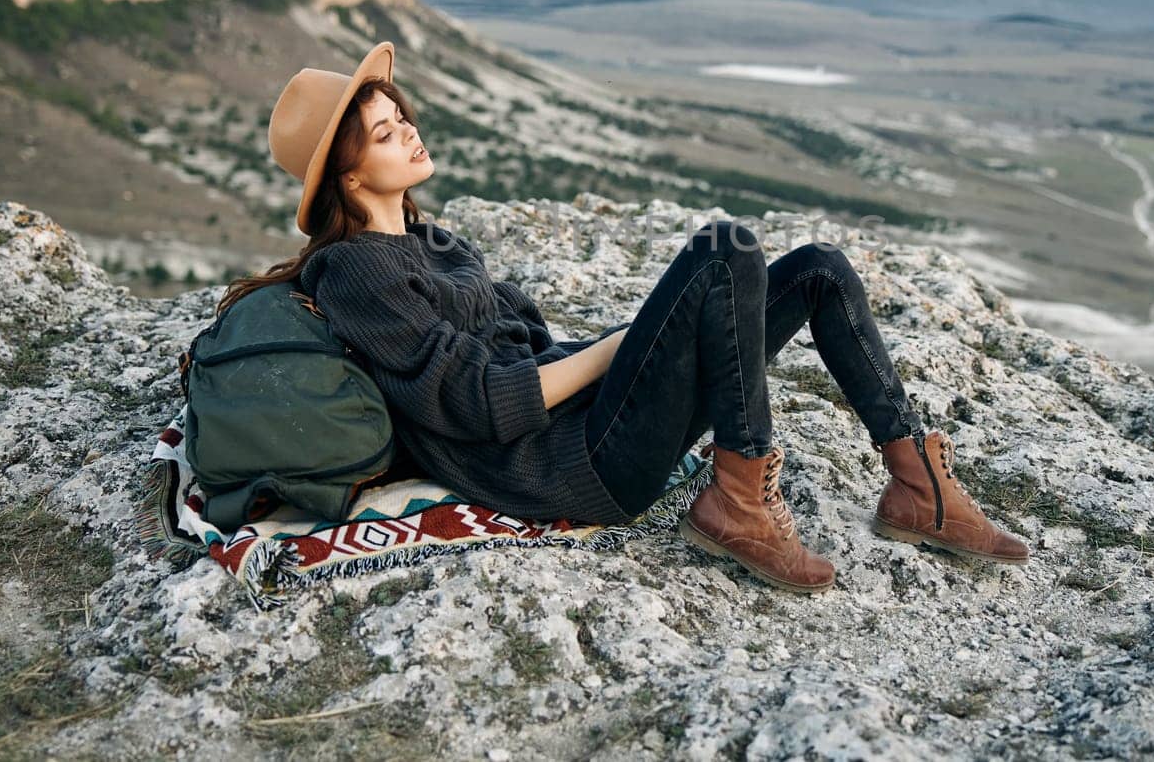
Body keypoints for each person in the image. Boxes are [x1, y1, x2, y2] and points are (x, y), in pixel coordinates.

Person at [219, 42, 1030, 595]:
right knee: (724, 250)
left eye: (403, 116)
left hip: (593, 420)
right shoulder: (359, 271)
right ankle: (737, 502)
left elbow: (527, 338)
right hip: (569, 464)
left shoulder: (429, 238)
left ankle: (917, 482)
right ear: (350, 173)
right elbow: (483, 402)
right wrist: (619, 349)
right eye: (387, 132)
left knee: (816, 267)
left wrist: (633, 353)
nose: (411, 132)